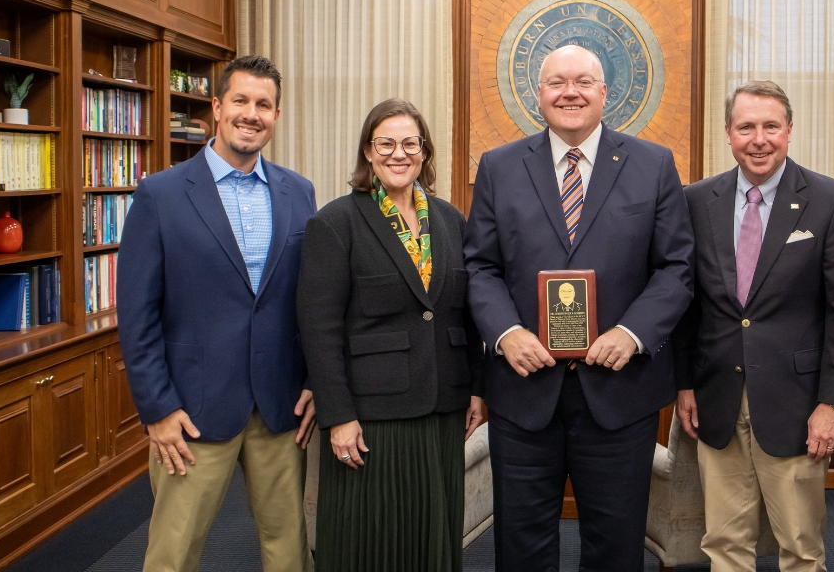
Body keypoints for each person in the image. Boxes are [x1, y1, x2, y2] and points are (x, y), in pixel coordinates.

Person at [464, 44, 694, 572]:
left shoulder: (653, 163)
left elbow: (677, 267)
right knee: (521, 548)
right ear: (538, 95)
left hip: (619, 393)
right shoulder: (499, 167)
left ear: (604, 93)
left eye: (584, 82)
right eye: (557, 83)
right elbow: (479, 266)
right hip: (524, 393)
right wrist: (505, 332)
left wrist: (633, 332)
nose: (570, 92)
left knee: (615, 547)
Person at [117, 55, 317, 572]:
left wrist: (316, 380)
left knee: (289, 547)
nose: (252, 114)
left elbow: (310, 300)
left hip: (279, 406)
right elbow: (136, 315)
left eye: (264, 105)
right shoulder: (160, 195)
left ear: (277, 114)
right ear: (217, 107)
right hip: (191, 411)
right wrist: (156, 409)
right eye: (241, 101)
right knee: (173, 553)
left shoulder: (300, 192)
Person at [675, 81, 834, 572]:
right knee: (722, 542)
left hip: (798, 405)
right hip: (717, 398)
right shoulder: (696, 201)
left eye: (770, 127)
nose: (758, 139)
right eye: (746, 128)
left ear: (789, 131)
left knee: (800, 547)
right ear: (728, 134)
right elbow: (686, 303)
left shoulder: (831, 200)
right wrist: (685, 383)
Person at [297, 98, 484, 572]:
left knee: (431, 534)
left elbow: (467, 316)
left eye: (409, 143)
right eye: (386, 143)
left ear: (424, 151)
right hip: (371, 416)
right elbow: (319, 330)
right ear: (367, 151)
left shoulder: (449, 220)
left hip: (443, 405)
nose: (398, 154)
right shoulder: (336, 222)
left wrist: (478, 389)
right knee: (370, 537)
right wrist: (337, 417)